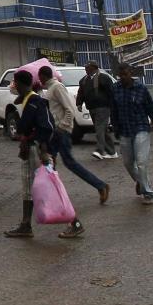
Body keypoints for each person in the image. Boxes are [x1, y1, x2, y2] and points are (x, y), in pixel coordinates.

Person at [5, 69, 83, 239]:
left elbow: (46, 127)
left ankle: (75, 222)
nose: (13, 85)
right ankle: (25, 225)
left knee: (52, 187)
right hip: (31, 149)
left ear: (20, 84)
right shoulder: (28, 100)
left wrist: (43, 150)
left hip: (37, 151)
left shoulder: (35, 101)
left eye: (15, 82)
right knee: (29, 187)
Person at [40, 65, 109, 206]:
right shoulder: (49, 89)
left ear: (43, 76)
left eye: (39, 77)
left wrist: (63, 126)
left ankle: (100, 185)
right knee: (48, 161)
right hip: (55, 131)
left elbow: (69, 109)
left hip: (61, 131)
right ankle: (52, 194)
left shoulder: (57, 87)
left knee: (69, 162)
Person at [110, 64, 153, 204]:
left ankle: (148, 193)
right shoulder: (116, 89)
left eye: (125, 74)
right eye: (120, 75)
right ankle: (140, 182)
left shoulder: (141, 89)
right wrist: (115, 128)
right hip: (124, 131)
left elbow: (151, 110)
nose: (123, 77)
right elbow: (113, 110)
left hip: (141, 129)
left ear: (131, 73)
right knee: (128, 163)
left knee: (141, 162)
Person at [77, 61, 118, 160]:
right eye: (86, 67)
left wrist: (113, 105)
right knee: (102, 129)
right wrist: (79, 103)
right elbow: (81, 92)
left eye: (88, 67)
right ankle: (112, 152)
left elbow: (111, 92)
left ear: (94, 68)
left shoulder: (103, 78)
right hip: (92, 107)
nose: (86, 69)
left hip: (103, 107)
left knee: (99, 128)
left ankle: (100, 150)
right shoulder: (84, 80)